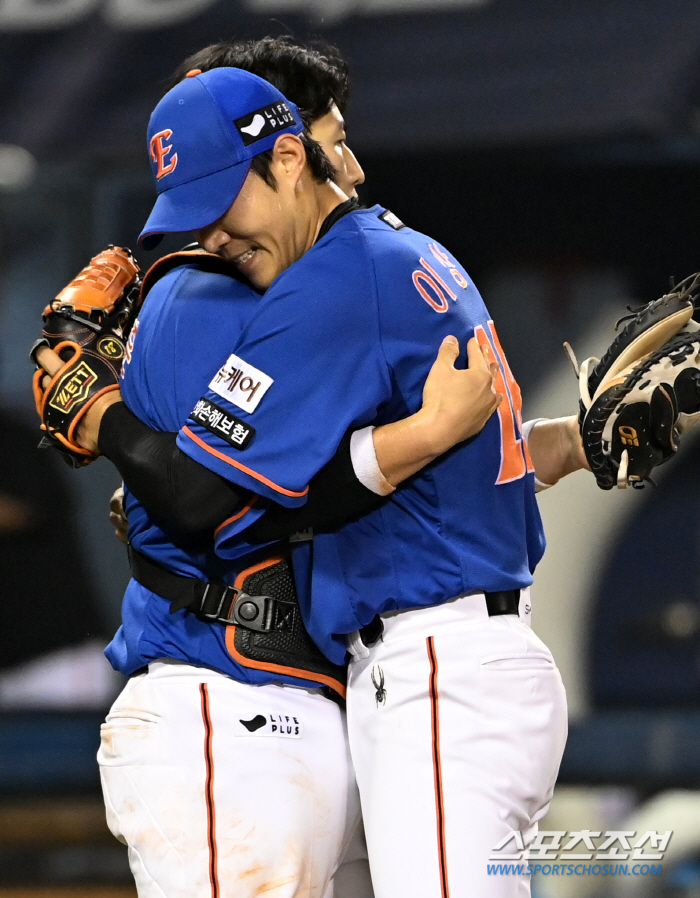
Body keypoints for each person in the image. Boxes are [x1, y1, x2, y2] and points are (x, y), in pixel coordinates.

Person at [38, 58, 588, 898]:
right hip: (416, 668)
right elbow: (341, 485)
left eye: (222, 205)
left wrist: (105, 412)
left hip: (434, 668)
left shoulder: (332, 280)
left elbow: (196, 503)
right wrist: (557, 441)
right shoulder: (403, 251)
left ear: (288, 159)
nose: (212, 235)